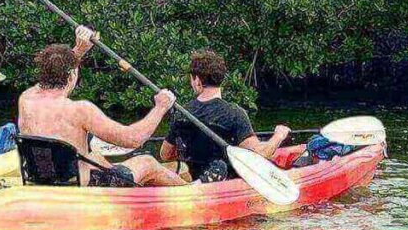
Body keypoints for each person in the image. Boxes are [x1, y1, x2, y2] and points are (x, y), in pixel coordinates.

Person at [18, 27, 186, 187]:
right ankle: (195, 192)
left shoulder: (26, 99)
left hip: (43, 180)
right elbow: (133, 139)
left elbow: (57, 74)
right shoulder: (80, 110)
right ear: (70, 77)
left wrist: (80, 49)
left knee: (96, 157)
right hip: (81, 188)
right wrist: (160, 107)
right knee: (147, 162)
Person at [160, 50, 290, 182]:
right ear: (221, 78)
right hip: (224, 185)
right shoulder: (234, 114)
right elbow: (260, 155)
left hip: (190, 179)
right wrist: (279, 135)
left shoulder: (181, 113)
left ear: (197, 80)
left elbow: (165, 155)